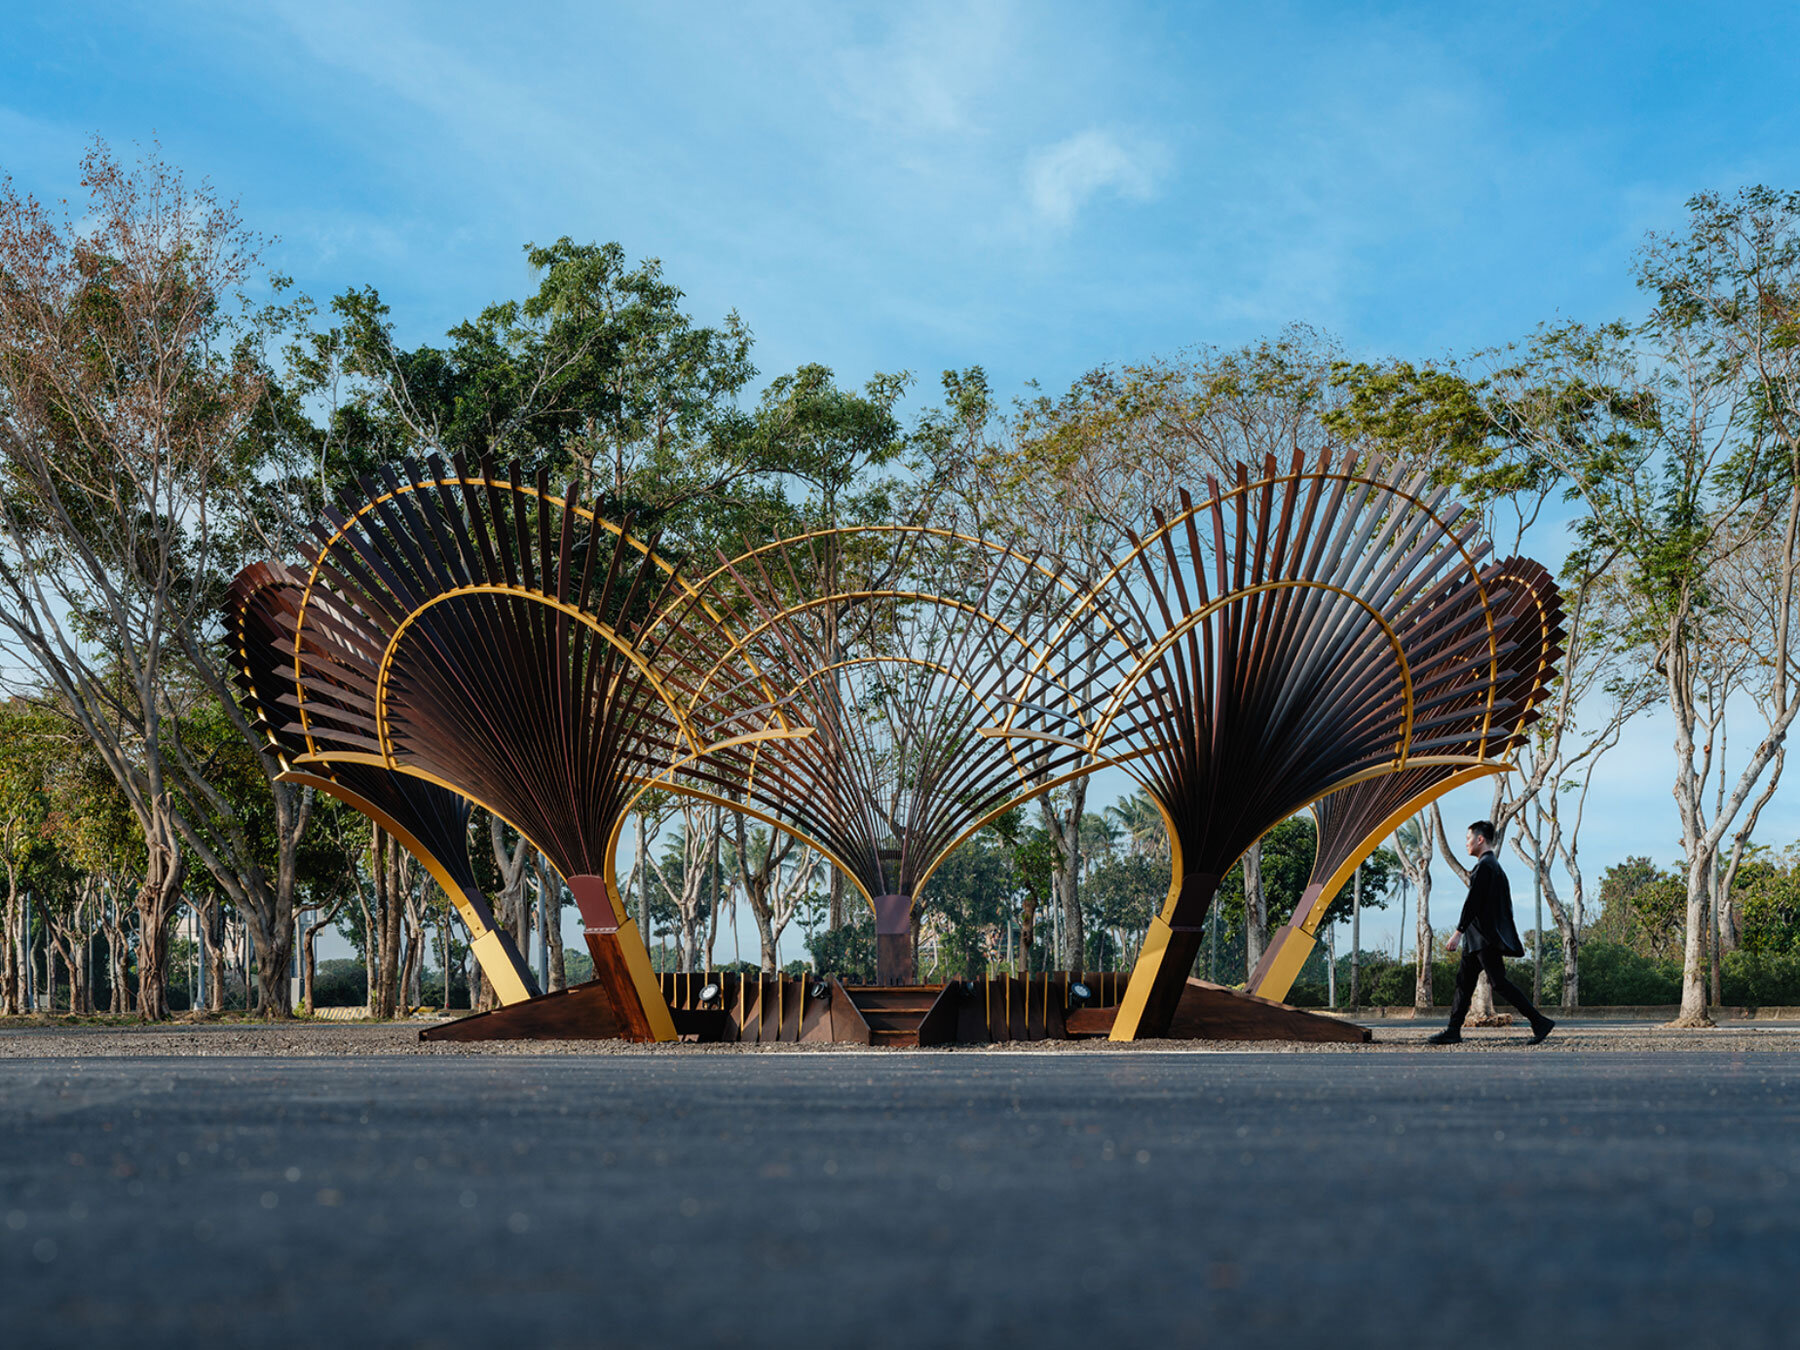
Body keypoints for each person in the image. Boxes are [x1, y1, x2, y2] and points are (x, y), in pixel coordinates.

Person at [1426, 820, 1555, 1045]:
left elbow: (1473, 902)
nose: (1466, 843)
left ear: (1480, 839)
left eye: (1468, 838)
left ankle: (1539, 1021)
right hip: (1477, 939)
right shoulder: (1491, 866)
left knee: (1499, 983)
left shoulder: (1486, 866)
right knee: (1464, 983)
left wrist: (1458, 932)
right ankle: (1453, 1030)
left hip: (1483, 939)